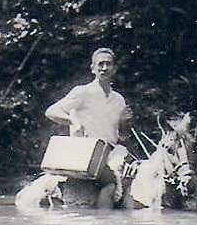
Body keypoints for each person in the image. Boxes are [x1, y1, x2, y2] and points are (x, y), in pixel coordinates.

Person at [45, 47, 132, 207]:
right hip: (87, 151)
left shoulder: (119, 99)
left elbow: (121, 136)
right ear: (93, 68)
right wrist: (72, 121)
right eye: (100, 64)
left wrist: (124, 123)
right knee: (110, 183)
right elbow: (51, 112)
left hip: (111, 152)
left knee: (134, 176)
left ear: (114, 69)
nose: (104, 68)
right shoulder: (82, 92)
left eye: (108, 64)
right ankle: (103, 224)